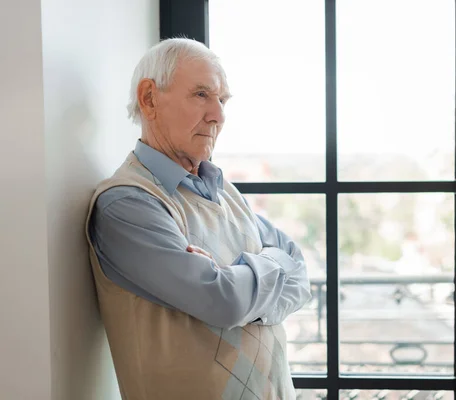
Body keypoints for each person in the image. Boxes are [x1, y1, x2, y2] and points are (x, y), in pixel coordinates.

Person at [85, 38, 311, 400]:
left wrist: (239, 274)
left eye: (222, 100)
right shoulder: (126, 203)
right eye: (202, 94)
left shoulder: (225, 192)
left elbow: (299, 275)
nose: (218, 115)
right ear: (149, 98)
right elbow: (224, 302)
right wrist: (268, 269)